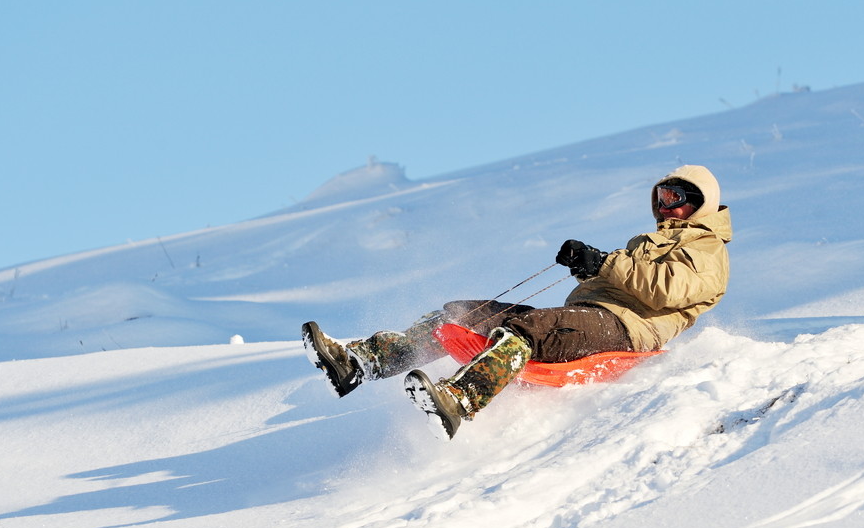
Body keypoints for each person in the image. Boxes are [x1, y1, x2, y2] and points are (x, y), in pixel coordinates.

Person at [302, 165, 732, 438]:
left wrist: (604, 262)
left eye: (675, 198)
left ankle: (462, 398)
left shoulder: (709, 249)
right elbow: (632, 278)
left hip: (626, 329)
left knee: (526, 331)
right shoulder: (652, 241)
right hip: (593, 314)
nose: (664, 207)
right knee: (458, 314)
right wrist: (590, 270)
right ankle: (363, 362)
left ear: (700, 203)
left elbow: (667, 289)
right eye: (660, 198)